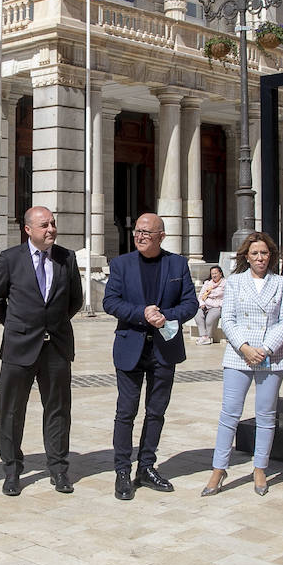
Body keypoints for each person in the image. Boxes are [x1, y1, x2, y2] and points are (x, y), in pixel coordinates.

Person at [102, 212, 199, 500]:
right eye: (137, 232)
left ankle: (146, 466)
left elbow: (191, 303)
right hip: (130, 347)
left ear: (161, 236)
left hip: (164, 349)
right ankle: (122, 470)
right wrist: (142, 314)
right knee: (126, 412)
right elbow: (111, 301)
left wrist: (165, 316)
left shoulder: (177, 264)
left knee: (156, 412)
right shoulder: (121, 264)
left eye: (147, 232)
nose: (140, 236)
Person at [0, 206, 83, 497]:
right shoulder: (10, 259)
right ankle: (12, 471)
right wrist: (20, 326)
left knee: (57, 410)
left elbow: (75, 300)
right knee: (12, 412)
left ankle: (58, 468)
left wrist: (50, 323)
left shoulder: (67, 258)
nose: (51, 229)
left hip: (56, 346)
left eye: (53, 223)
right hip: (19, 348)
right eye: (44, 225)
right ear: (28, 229)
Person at [201, 232, 283, 498]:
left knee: (265, 416)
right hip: (239, 355)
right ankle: (219, 468)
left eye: (264, 253)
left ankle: (260, 467)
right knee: (229, 413)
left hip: (270, 356)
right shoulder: (236, 282)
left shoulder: (282, 283)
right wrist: (245, 348)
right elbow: (227, 319)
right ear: (246, 257)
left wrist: (265, 349)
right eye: (255, 253)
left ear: (271, 256)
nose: (260, 258)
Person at [192, 266, 225, 344]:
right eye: (212, 273)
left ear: (220, 274)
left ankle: (209, 337)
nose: (214, 275)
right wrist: (202, 304)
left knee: (210, 319)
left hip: (217, 306)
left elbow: (227, 298)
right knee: (197, 314)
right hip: (206, 305)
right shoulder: (207, 283)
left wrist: (216, 304)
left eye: (216, 273)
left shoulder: (226, 283)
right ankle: (203, 336)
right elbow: (200, 296)